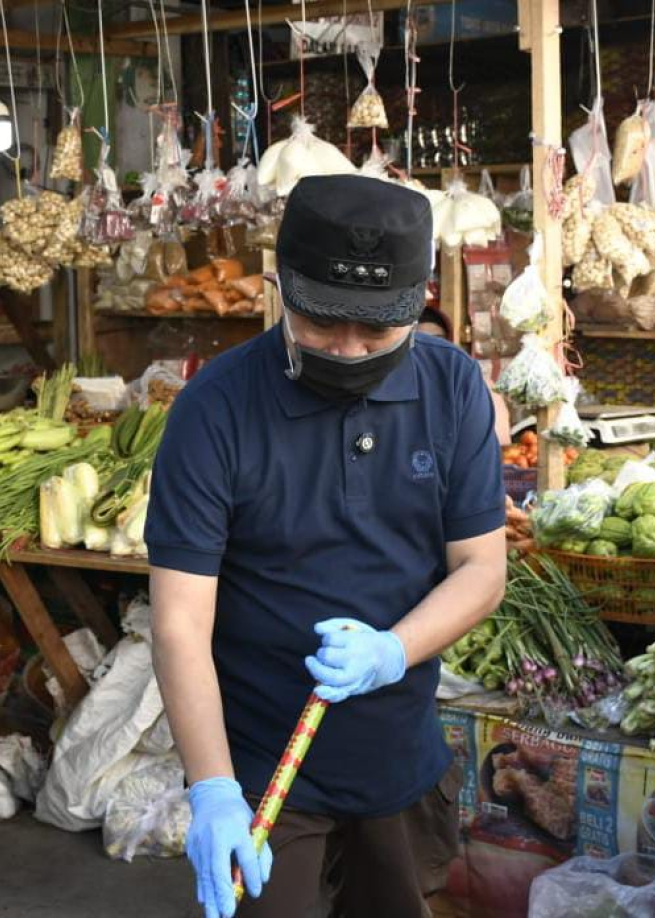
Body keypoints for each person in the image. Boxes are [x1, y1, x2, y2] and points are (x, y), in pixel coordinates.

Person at [146, 175, 507, 918]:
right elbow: (179, 621)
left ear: (418, 302)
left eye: (376, 334)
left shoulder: (452, 388)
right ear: (281, 289)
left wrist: (393, 650)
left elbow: (481, 569)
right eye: (319, 324)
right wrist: (212, 787)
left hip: (398, 753)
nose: (346, 351)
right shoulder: (215, 409)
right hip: (261, 763)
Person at [417, 306, 513, 447]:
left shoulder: (475, 384)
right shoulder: (401, 388)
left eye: (438, 340)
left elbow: (498, 441)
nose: (431, 348)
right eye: (422, 341)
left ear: (449, 341)